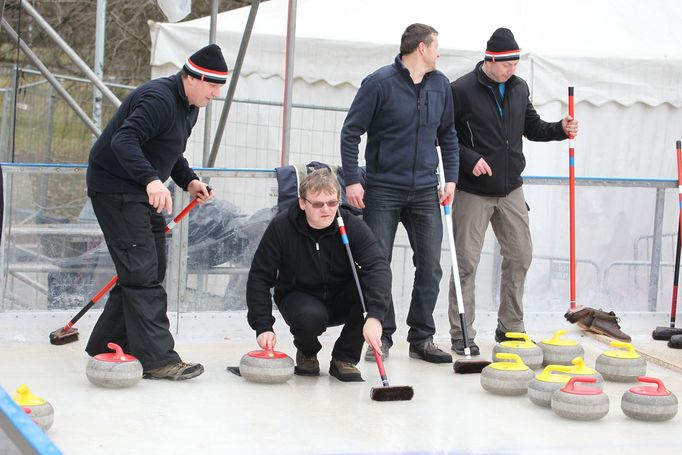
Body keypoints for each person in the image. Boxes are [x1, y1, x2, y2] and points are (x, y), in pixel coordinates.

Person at [84, 44, 227, 380]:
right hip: (115, 186)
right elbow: (125, 140)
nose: (216, 94)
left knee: (150, 267)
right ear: (191, 77)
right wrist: (151, 180)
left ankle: (108, 343)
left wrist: (188, 180)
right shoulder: (159, 98)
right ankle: (159, 359)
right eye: (212, 85)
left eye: (219, 87)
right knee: (141, 270)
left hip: (141, 189)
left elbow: (168, 150)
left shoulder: (190, 106)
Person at [447, 28, 581, 355]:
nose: (512, 69)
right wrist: (469, 159)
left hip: (511, 190)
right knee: (465, 262)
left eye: (516, 63)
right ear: (490, 60)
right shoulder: (461, 90)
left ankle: (510, 327)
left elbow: (532, 127)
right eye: (507, 64)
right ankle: (462, 333)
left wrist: (560, 130)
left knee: (521, 254)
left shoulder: (519, 88)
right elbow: (445, 135)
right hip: (473, 191)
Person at [340, 23, 459, 364]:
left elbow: (448, 135)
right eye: (436, 46)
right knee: (379, 265)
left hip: (425, 191)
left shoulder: (441, 86)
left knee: (431, 266)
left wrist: (450, 178)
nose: (439, 53)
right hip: (382, 190)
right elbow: (351, 133)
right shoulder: (379, 83)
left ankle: (421, 337)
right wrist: (352, 180)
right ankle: (383, 334)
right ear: (421, 48)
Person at [246, 169, 391, 382]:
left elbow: (378, 267)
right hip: (299, 296)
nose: (327, 210)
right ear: (303, 203)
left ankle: (344, 358)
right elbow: (260, 276)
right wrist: (263, 325)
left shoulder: (351, 225)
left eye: (332, 203)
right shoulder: (282, 227)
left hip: (341, 295)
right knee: (308, 318)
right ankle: (307, 351)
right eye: (318, 204)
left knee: (373, 290)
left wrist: (375, 317)